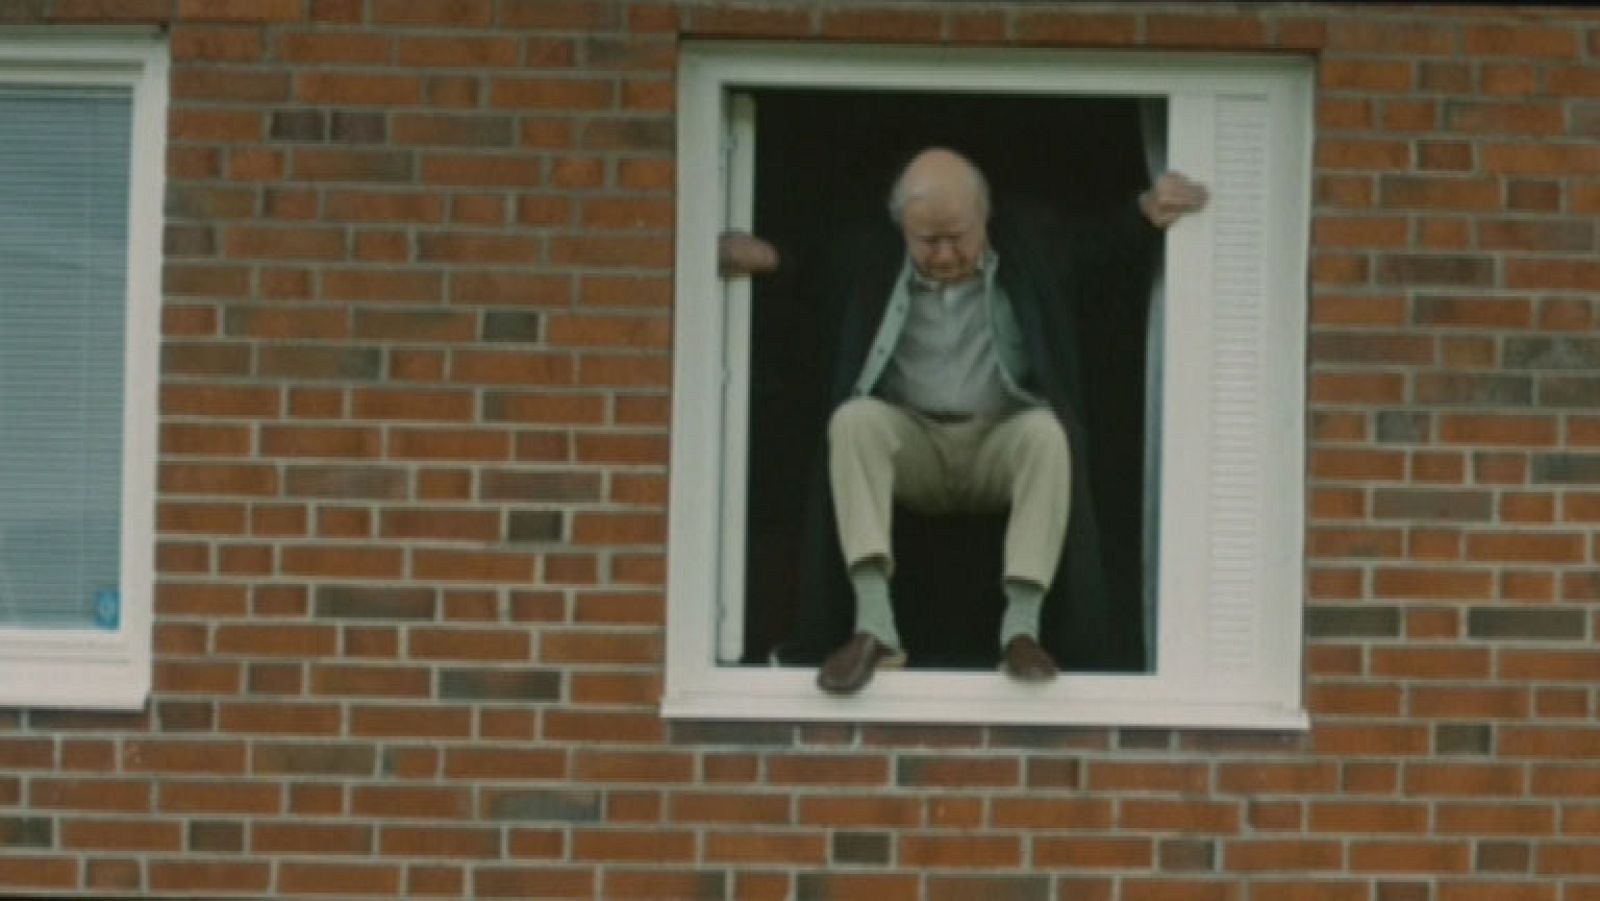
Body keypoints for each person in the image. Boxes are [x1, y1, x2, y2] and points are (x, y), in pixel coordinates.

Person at [721, 147, 1206, 695]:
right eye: (927, 241)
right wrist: (763, 256)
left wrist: (1147, 210)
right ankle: (874, 630)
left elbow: (1102, 246)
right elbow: (807, 262)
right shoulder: (867, 253)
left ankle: (1021, 632)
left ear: (985, 217)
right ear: (901, 227)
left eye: (958, 236)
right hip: (915, 444)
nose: (946, 254)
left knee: (1048, 433)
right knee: (854, 420)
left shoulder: (1032, 240)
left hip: (996, 440)